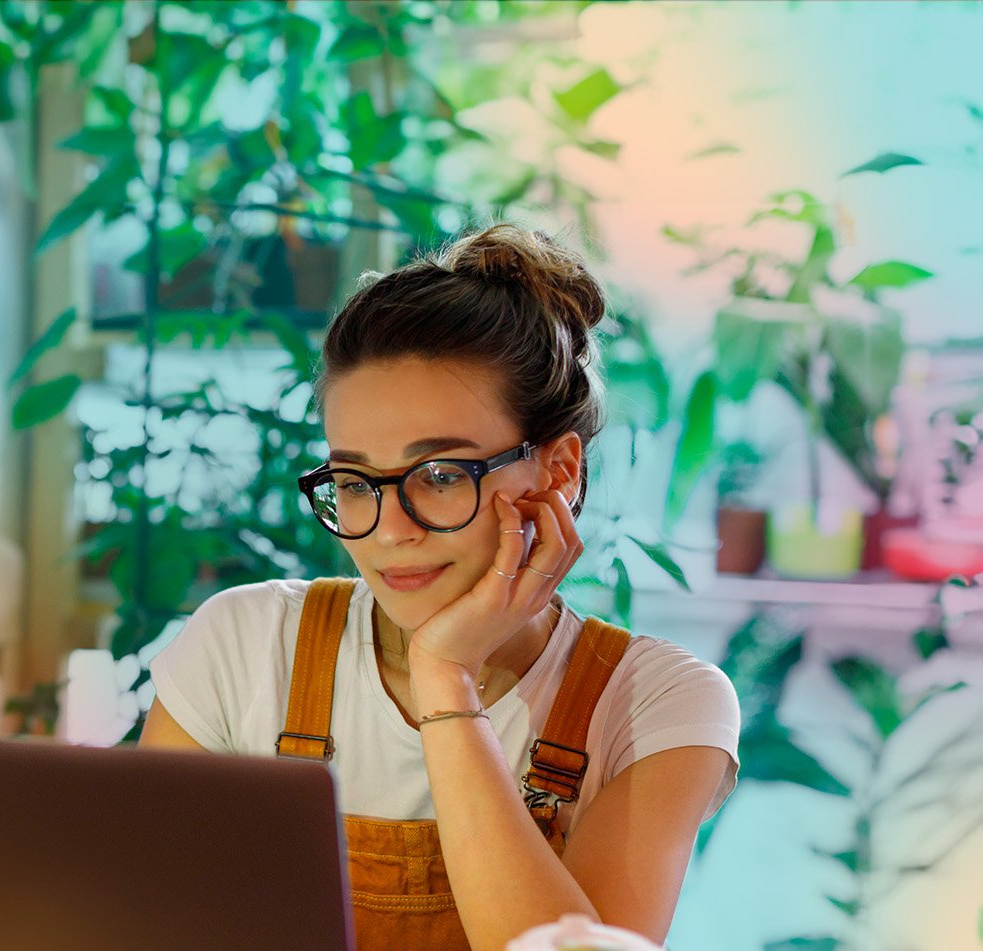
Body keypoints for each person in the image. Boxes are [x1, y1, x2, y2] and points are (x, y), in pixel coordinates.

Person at [139, 223, 741, 950]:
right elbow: (135, 914)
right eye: (355, 481)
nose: (388, 529)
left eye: (440, 475)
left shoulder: (655, 702)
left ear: (557, 471)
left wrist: (445, 676)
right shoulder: (246, 642)